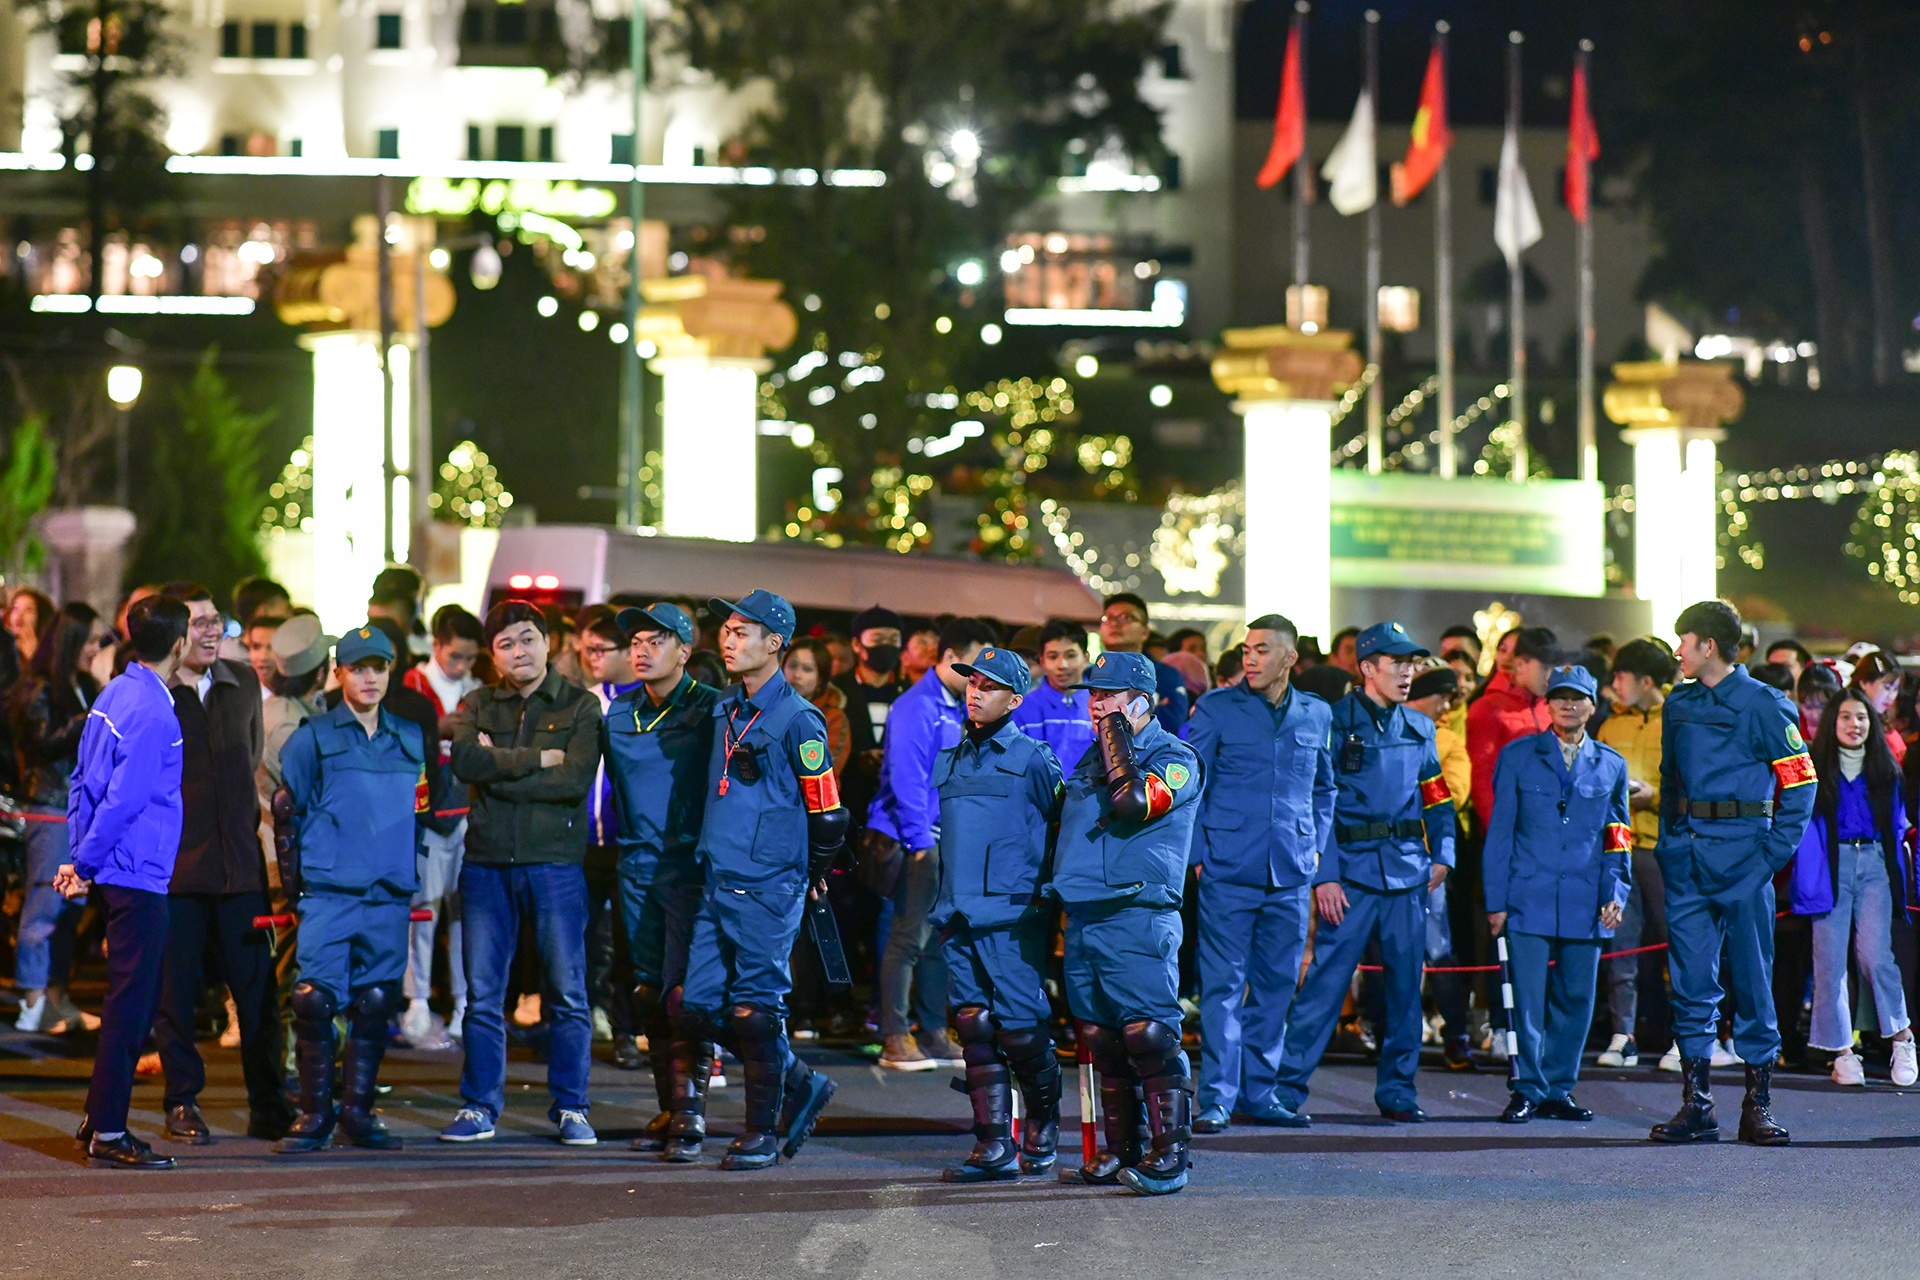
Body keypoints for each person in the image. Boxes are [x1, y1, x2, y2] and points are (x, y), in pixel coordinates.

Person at [674, 590, 843, 1170]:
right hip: (719, 876)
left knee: (754, 1009)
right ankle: (798, 1078)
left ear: (775, 643)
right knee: (694, 1006)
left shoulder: (800, 719)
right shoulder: (726, 709)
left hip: (771, 884)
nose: (728, 638)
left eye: (743, 631)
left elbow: (828, 810)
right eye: (726, 630)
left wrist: (811, 875)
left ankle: (762, 1133)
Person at [1269, 623, 1457, 1126]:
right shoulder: (1329, 722)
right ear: (1368, 668)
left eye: (1413, 665)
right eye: (1398, 664)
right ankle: (1285, 1089)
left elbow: (1438, 798)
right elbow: (1315, 804)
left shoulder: (1419, 729)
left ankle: (1398, 1091)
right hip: (1348, 876)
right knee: (1325, 986)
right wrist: (1324, 876)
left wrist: (1444, 852)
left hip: (1406, 875)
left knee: (1404, 990)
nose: (1408, 673)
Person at [1650, 600, 1816, 1147]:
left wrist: (1772, 856)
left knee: (1752, 981)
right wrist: (1673, 842)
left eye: (1684, 640)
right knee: (1692, 985)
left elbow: (1801, 783)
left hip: (1746, 860)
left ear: (1710, 646)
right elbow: (1669, 778)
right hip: (1691, 859)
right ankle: (1697, 1105)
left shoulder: (1766, 705)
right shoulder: (1679, 704)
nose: (1677, 651)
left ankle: (1757, 1106)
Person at [441, 601, 603, 1146]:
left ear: (549, 642)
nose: (519, 652)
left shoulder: (581, 707)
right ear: (493, 655)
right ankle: (479, 1105)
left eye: (527, 639)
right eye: (506, 644)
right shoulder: (477, 703)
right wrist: (540, 758)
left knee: (567, 991)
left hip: (556, 863)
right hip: (486, 864)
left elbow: (574, 781)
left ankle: (572, 1107)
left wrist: (501, 765)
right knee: (483, 994)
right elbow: (467, 763)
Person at [273, 625, 428, 1153]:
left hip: (387, 893)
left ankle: (358, 1113)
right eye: (358, 667)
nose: (369, 677)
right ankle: (315, 1114)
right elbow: (288, 815)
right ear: (337, 673)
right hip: (331, 893)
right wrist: (296, 887)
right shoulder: (312, 738)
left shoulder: (410, 737)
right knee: (314, 1000)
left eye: (378, 667)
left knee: (377, 1000)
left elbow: (420, 815)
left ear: (391, 672)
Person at [1051, 650, 1201, 1195]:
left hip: (1137, 912)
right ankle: (1123, 1150)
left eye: (1108, 696)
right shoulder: (1090, 761)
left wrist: (1117, 735)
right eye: (1092, 696)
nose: (1096, 706)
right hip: (1086, 912)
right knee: (1101, 1037)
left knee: (1151, 1032)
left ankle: (1171, 1155)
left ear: (1141, 699)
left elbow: (1137, 802)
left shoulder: (1174, 757)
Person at [152, 582, 288, 1145]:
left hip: (240, 868)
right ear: (172, 634)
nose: (210, 632)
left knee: (259, 995)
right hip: (177, 871)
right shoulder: (151, 694)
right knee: (175, 996)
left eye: (214, 621)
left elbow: (252, 759)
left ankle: (270, 1106)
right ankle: (182, 1101)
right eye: (197, 623)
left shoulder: (241, 685)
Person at [1185, 615, 1333, 1133]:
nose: (1250, 658)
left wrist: (1314, 848)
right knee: (1223, 986)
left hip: (1290, 871)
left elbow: (1324, 789)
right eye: (1246, 649)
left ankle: (1261, 1094)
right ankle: (1217, 1099)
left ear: (1290, 659)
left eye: (1262, 650)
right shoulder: (1215, 709)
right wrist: (1199, 854)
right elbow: (1189, 786)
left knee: (1275, 987)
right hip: (1227, 866)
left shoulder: (1317, 714)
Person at [64, 594, 191, 1168]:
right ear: (181, 644)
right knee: (131, 1007)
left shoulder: (114, 691)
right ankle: (110, 1131)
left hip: (117, 866)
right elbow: (126, 798)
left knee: (126, 1001)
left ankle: (100, 1117)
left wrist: (79, 856)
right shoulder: (157, 710)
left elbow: (82, 780)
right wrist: (86, 861)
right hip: (138, 872)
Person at [932, 646, 1065, 1181]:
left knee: (1020, 1029)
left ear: (1015, 699)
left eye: (988, 686)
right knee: (973, 1025)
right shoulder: (952, 756)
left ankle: (1043, 1125)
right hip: (959, 912)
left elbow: (1060, 829)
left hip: (1013, 916)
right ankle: (992, 1141)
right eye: (970, 682)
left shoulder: (1035, 758)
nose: (975, 691)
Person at [1483, 665, 1632, 1124]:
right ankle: (1527, 1087)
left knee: (1575, 1000)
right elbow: (1500, 832)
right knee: (1527, 1000)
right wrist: (1495, 900)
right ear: (1547, 703)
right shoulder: (1518, 756)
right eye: (1560, 697)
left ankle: (1558, 1087)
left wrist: (1616, 892)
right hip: (1529, 894)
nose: (1568, 705)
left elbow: (1618, 833)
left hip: (1586, 899)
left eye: (1578, 698)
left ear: (1592, 705)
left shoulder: (1612, 764)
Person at [602, 602, 719, 1160]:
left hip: (691, 868)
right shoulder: (617, 715)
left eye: (656, 640)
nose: (641, 651)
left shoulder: (712, 710)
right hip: (635, 866)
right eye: (635, 642)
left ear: (685, 650)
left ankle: (692, 1116)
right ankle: (670, 1105)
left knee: (684, 994)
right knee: (648, 988)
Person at [867, 617, 995, 1070]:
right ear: (949, 657)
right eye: (974, 666)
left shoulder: (952, 705)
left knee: (939, 939)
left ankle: (935, 1032)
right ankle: (895, 1037)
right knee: (907, 937)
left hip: (943, 838)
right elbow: (907, 779)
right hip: (917, 840)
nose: (979, 678)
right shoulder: (916, 705)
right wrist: (922, 842)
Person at [1787, 686, 1916, 1087]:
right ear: (1832, 721)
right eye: (1845, 716)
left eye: (1861, 717)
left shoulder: (1886, 766)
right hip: (1830, 864)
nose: (1854, 724)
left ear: (1871, 723)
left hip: (1875, 862)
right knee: (1828, 961)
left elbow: (1897, 825)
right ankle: (1842, 1052)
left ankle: (1902, 1039)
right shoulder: (1812, 762)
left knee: (1875, 955)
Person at [8, 603, 112, 1033]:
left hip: (83, 809)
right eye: (89, 641)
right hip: (51, 807)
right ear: (70, 641)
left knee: (74, 908)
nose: (95, 649)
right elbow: (40, 745)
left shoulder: (87, 683)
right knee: (45, 904)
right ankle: (32, 998)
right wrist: (83, 722)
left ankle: (56, 997)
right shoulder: (40, 688)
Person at [401, 604, 484, 1041]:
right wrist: (438, 730)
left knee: (463, 912)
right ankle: (417, 1002)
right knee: (425, 910)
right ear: (436, 645)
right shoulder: (412, 686)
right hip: (426, 815)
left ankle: (464, 1002)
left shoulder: (477, 690)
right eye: (456, 656)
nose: (463, 666)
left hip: (467, 812)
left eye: (471, 658)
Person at [1596, 638, 1676, 1069]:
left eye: (1621, 676)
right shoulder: (1611, 727)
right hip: (1620, 850)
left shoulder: (1678, 722)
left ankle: (1686, 1037)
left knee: (1678, 944)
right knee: (1620, 945)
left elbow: (1690, 787)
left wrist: (1655, 796)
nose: (1614, 685)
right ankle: (1622, 1034)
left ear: (1647, 681)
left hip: (1666, 848)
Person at [577, 605, 643, 1053]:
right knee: (577, 935)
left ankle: (625, 1027)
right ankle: (576, 1021)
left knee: (627, 940)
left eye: (603, 649)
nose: (593, 657)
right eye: (588, 650)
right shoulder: (585, 701)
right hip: (582, 842)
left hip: (629, 844)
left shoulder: (646, 702)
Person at [1405, 661, 1475, 1070]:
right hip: (1383, 859)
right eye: (1442, 697)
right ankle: (1389, 1035)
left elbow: (1453, 795)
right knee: (1385, 956)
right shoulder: (1388, 731)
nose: (1446, 706)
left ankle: (1456, 1035)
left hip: (1427, 861)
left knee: (1439, 951)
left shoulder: (1445, 739)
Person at [1468, 626, 1556, 830]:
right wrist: (1502, 832)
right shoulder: (1488, 708)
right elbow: (1481, 778)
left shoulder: (1550, 707)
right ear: (1520, 664)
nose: (1549, 676)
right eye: (1543, 668)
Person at [1098, 594, 1189, 733]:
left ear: (1145, 632)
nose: (1114, 623)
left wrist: (1113, 715)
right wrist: (1143, 709)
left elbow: (1171, 721)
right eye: (1108, 618)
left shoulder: (1165, 676)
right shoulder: (1090, 676)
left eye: (1126, 617)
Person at [1012, 622, 1095, 771]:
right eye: (1053, 656)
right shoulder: (1021, 708)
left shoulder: (1102, 706)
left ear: (1086, 658)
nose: (1062, 664)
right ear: (1042, 660)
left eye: (1070, 655)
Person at [784, 638, 851, 774]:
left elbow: (825, 770)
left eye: (807, 669)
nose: (797, 675)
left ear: (820, 678)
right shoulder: (765, 707)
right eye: (792, 666)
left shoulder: (833, 717)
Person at [1849, 651, 1906, 765]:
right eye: (1887, 687)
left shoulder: (1885, 723)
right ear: (1864, 682)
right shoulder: (1845, 719)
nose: (1891, 696)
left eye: (1895, 689)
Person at [6, 586, 54, 665]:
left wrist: (34, 658)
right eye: (15, 609)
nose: (19, 615)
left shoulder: (51, 650)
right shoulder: (6, 646)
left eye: (28, 610)